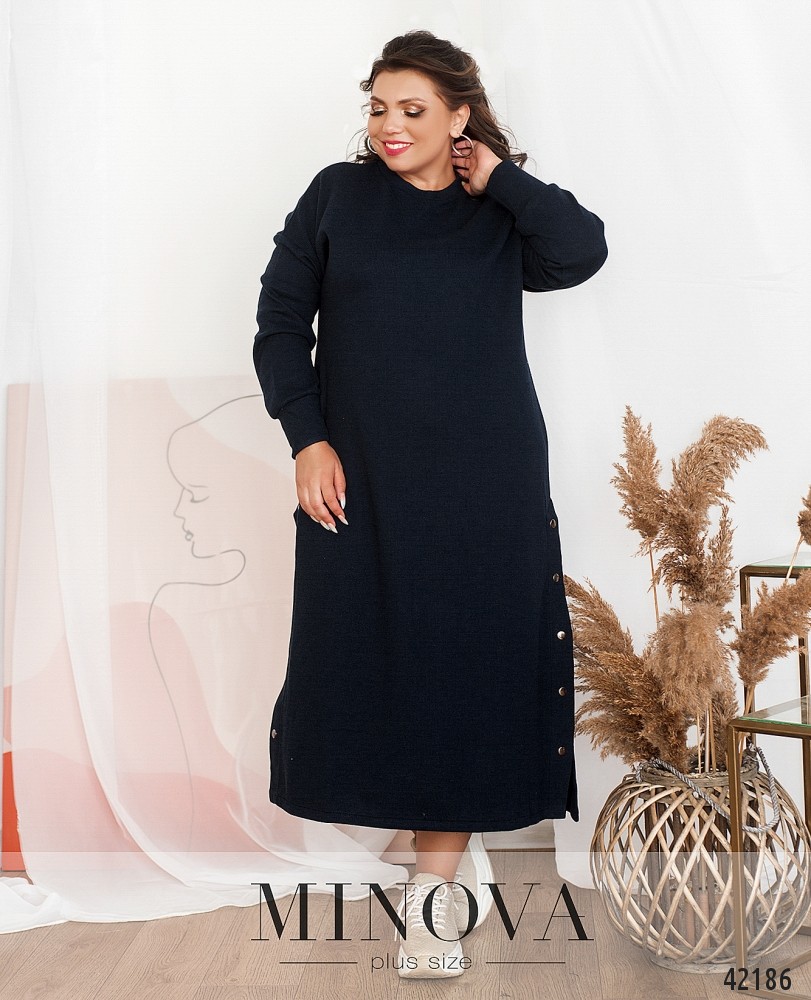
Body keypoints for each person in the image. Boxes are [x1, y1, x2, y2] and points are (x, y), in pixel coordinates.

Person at [253, 29, 607, 980]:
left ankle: (431, 888)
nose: (389, 127)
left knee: (463, 666)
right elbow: (280, 325)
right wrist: (307, 438)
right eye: (378, 108)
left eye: (413, 110)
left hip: (484, 478)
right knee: (369, 661)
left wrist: (498, 177)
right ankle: (439, 848)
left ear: (459, 116)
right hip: (359, 474)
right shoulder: (336, 196)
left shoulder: (496, 209)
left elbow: (581, 251)